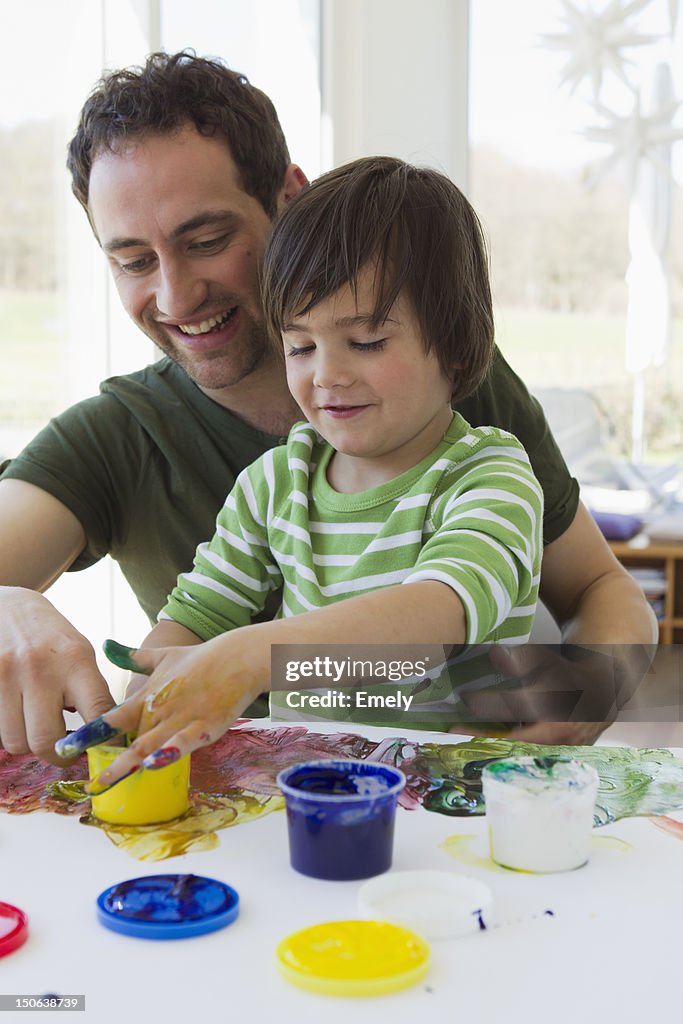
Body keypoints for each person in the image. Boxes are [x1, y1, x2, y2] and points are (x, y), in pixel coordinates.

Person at [0, 51, 655, 765]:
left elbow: (560, 591)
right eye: (132, 260)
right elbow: (191, 618)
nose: (176, 296)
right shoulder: (171, 453)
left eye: (207, 240)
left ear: (288, 199)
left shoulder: (464, 416)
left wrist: (585, 688)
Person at [61, 155, 545, 785]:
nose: (326, 375)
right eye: (300, 346)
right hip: (309, 792)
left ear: (454, 343)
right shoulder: (274, 484)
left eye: (366, 342)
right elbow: (196, 619)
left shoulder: (490, 476)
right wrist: (152, 706)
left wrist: (254, 657)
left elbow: (434, 619)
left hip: (460, 802)